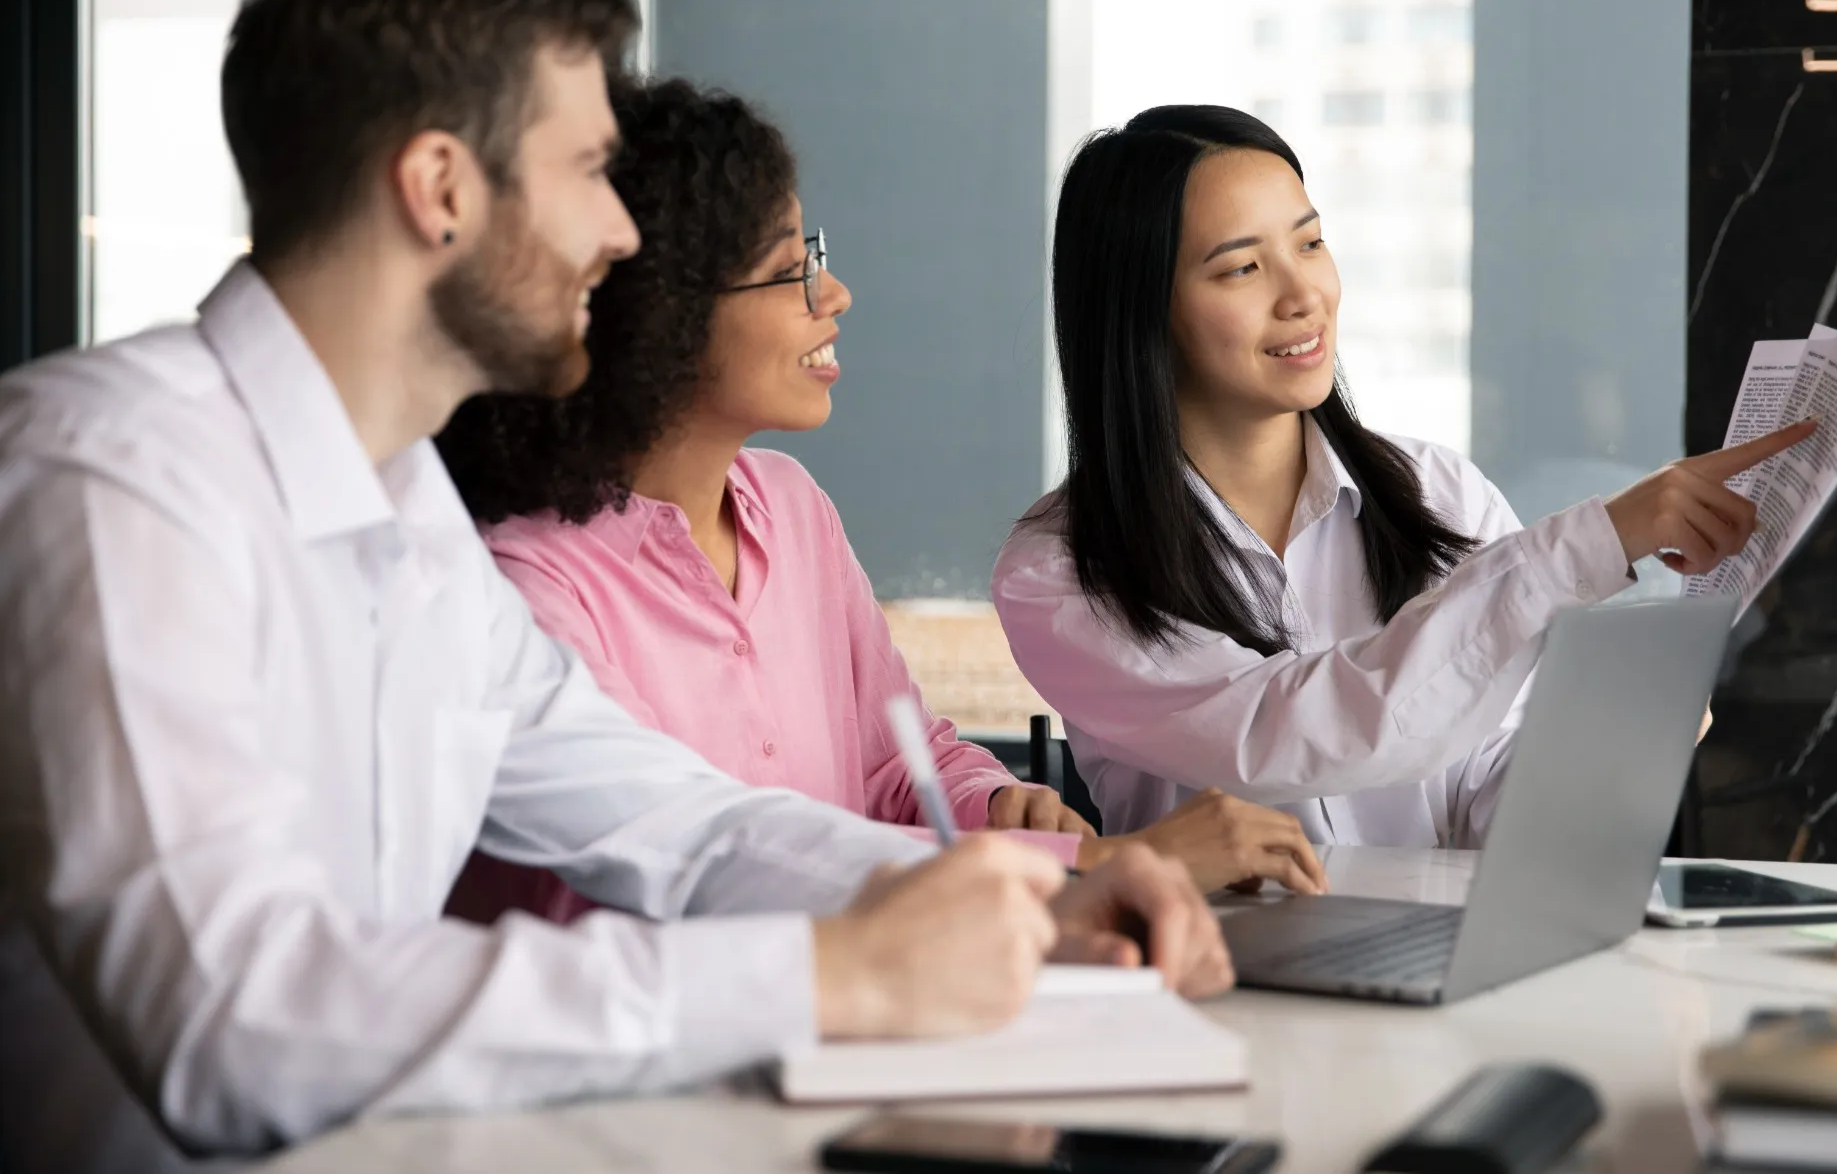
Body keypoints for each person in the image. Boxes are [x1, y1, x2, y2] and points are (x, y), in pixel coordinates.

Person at [0, 0, 1229, 1167]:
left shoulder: (405, 511)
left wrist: (1023, 896)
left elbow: (681, 825)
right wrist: (825, 976)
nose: (626, 234)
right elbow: (232, 1025)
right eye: (587, 170)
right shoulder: (111, 479)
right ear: (438, 189)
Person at [432, 75, 1327, 907]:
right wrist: (1099, 863)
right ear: (657, 316)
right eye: (792, 270)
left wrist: (997, 806)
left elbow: (901, 765)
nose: (836, 294)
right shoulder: (528, 584)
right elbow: (710, 864)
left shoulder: (790, 507)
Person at [991, 105, 1808, 849]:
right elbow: (1295, 737)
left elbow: (1486, 801)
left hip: (1430, 966)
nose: (1303, 293)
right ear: (1141, 311)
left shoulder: (1436, 491)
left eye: (1310, 242)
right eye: (1242, 268)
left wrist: (1621, 737)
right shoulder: (1064, 569)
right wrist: (1595, 541)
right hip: (1221, 986)